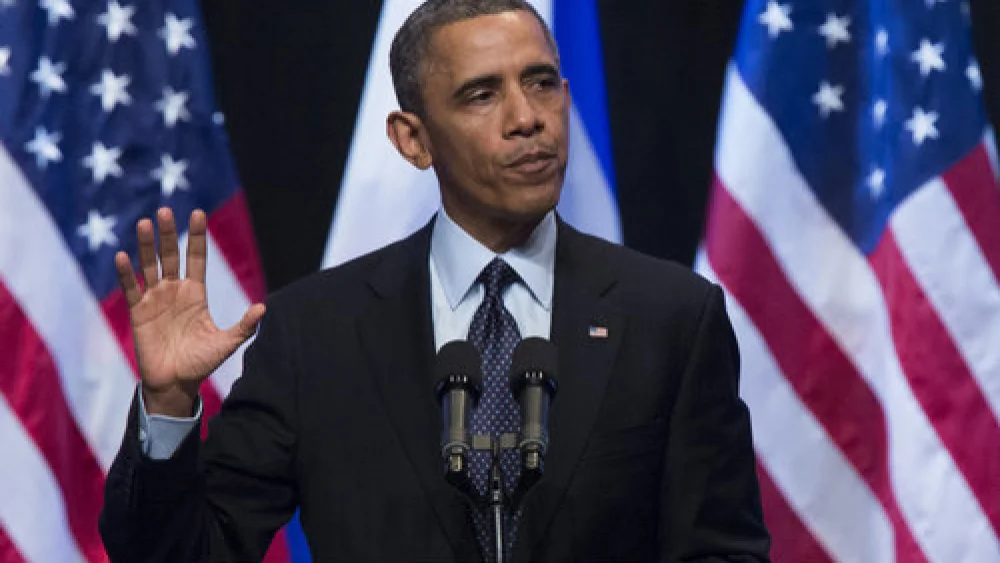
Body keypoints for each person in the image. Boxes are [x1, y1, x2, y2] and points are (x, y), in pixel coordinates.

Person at [99, 0, 771, 561]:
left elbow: (723, 550)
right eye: (482, 94)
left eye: (540, 83)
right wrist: (167, 404)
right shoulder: (314, 335)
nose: (526, 118)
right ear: (412, 139)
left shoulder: (671, 317)